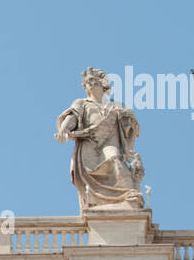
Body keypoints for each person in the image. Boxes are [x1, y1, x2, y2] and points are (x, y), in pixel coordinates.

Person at [56, 67, 144, 210]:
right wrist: (63, 129)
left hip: (110, 142)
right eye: (87, 81)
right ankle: (97, 203)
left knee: (115, 159)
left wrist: (127, 124)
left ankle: (129, 195)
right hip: (89, 142)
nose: (89, 83)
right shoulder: (82, 103)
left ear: (102, 83)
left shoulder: (116, 106)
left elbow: (131, 128)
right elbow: (72, 117)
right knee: (91, 173)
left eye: (92, 79)